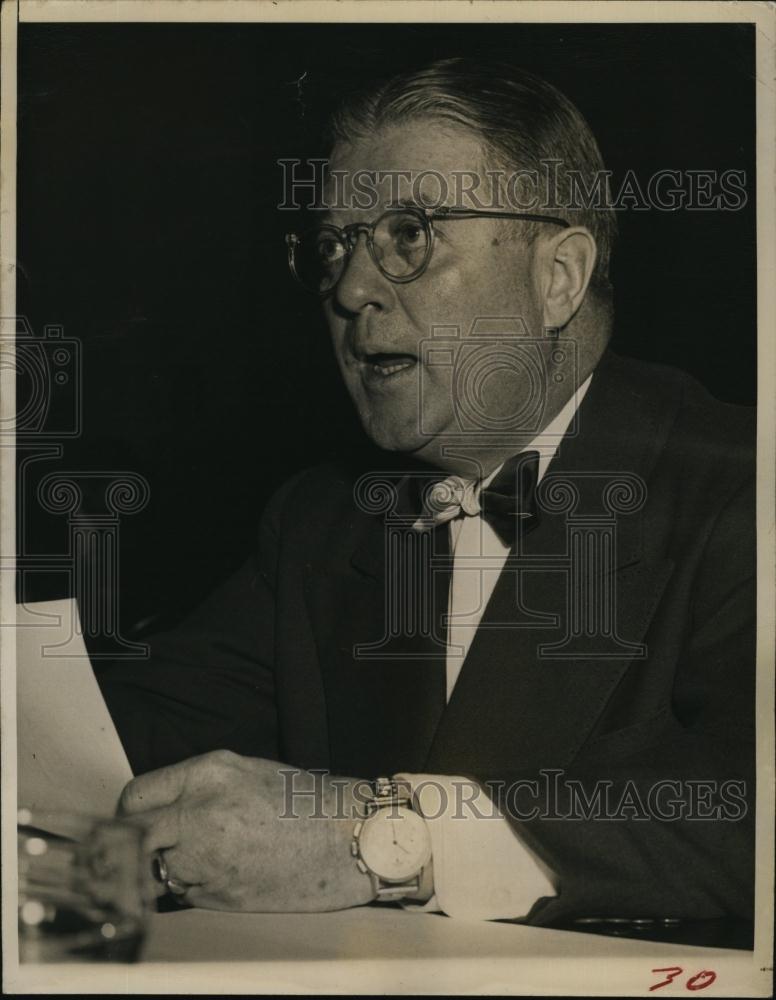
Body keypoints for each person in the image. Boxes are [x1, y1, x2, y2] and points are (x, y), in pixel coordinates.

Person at [98, 58, 755, 929]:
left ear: (558, 276)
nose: (350, 288)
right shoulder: (322, 521)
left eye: (410, 234)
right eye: (334, 244)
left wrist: (375, 840)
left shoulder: (745, 487)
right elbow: (124, 731)